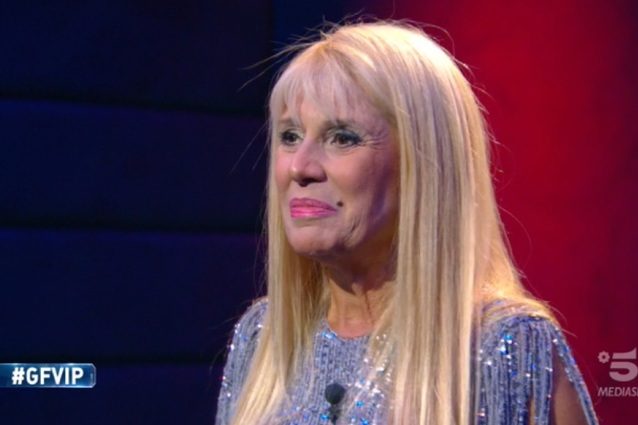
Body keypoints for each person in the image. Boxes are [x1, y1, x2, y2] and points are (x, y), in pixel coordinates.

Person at [215, 21, 599, 425]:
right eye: (290, 136)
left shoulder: (508, 347)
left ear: (424, 164)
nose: (299, 167)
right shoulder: (262, 337)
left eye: (342, 137)